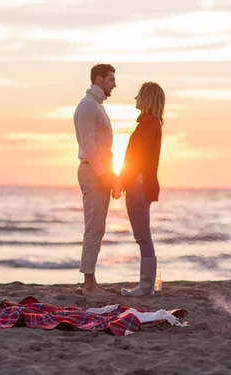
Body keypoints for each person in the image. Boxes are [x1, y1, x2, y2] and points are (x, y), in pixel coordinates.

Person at [74, 63, 119, 296]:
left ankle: (91, 283)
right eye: (111, 79)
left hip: (100, 171)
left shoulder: (97, 106)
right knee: (93, 228)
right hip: (92, 172)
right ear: (99, 79)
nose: (114, 83)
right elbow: (89, 147)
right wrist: (104, 176)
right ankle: (89, 285)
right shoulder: (88, 106)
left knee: (98, 228)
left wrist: (111, 175)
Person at [118, 82, 165, 296]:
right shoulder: (151, 123)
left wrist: (121, 181)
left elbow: (137, 160)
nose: (135, 98)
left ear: (146, 98)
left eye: (138, 95)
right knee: (143, 235)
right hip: (140, 184)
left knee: (143, 235)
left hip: (138, 184)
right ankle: (146, 285)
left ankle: (146, 287)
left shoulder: (148, 124)